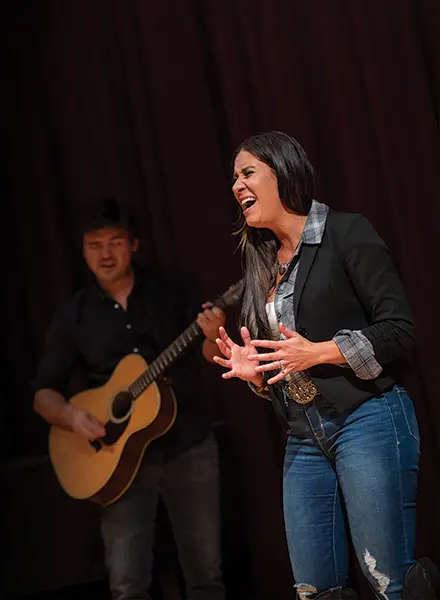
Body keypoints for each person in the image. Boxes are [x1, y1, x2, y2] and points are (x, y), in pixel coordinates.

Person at [212, 130, 438, 600]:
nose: (237, 186)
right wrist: (258, 377)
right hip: (303, 435)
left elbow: (399, 330)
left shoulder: (345, 232)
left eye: (247, 173)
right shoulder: (260, 263)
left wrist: (319, 351)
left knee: (388, 582)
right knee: (316, 592)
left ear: (283, 172)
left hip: (368, 418)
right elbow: (284, 360)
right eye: (234, 177)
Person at [31, 197, 228, 600]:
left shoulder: (173, 290)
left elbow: (211, 355)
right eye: (94, 244)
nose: (106, 253)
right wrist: (71, 416)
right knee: (126, 585)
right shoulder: (74, 315)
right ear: (83, 251)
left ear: (133, 244)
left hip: (188, 446)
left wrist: (212, 335)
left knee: (206, 575)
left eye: (115, 241)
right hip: (116, 460)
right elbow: (42, 393)